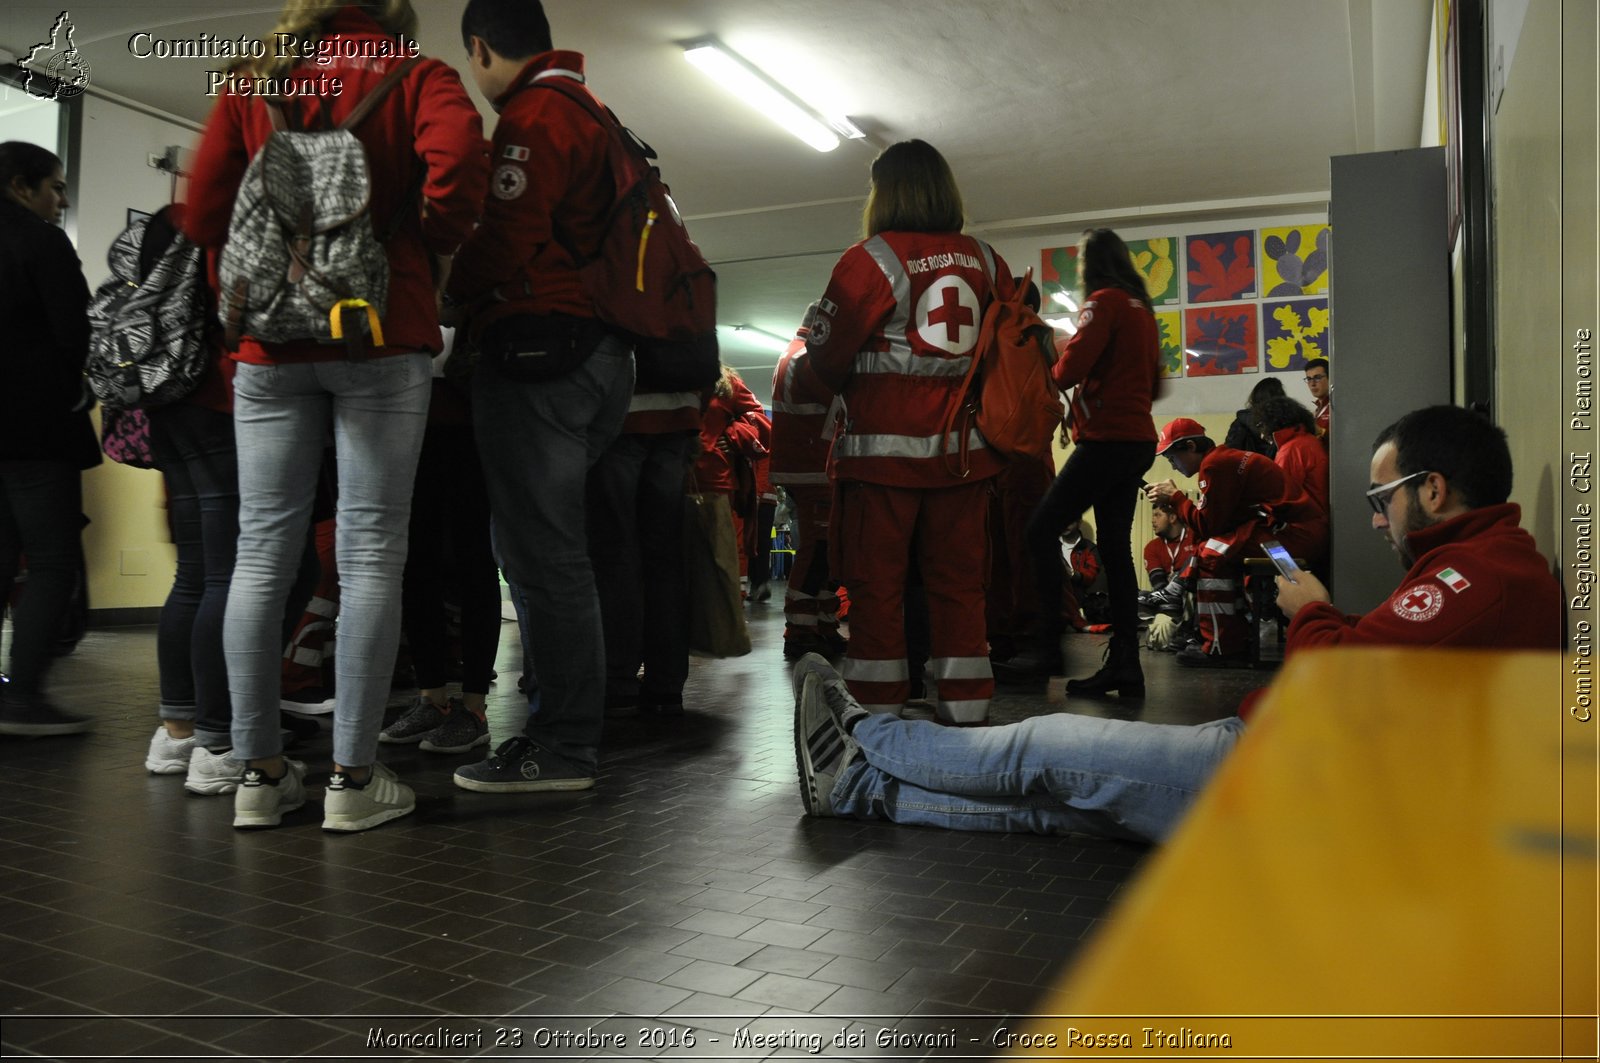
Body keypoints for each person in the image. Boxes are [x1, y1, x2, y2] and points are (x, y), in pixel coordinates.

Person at [793, 405, 1562, 841]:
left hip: (1286, 774)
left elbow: (1342, 679)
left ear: (1430, 489)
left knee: (1048, 745)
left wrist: (1316, 610)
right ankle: (860, 790)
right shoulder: (1492, 570)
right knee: (1050, 808)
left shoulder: (1479, 577)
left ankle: (866, 736)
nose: (1374, 521)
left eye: (1380, 498)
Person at [183, 0, 488, 829]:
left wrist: (251, 274)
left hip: (270, 346)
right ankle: (352, 784)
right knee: (371, 552)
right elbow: (459, 163)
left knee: (261, 551)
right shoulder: (417, 74)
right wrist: (422, 239)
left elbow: (205, 211)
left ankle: (259, 773)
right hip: (383, 331)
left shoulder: (257, 79)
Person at [443, 0, 635, 793]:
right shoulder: (592, 110)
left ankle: (561, 746)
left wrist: (442, 301)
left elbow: (506, 236)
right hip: (598, 354)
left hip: (540, 354)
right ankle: (567, 730)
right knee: (552, 553)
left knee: (546, 556)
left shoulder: (535, 115)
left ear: (479, 48)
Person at [799, 139, 1012, 725]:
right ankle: (967, 710)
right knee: (960, 587)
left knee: (877, 589)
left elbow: (825, 360)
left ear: (884, 192)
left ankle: (875, 715)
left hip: (883, 461)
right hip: (964, 461)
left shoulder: (871, 260)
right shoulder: (988, 261)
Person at [999, 228, 1160, 697]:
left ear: (1092, 265)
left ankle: (1048, 650)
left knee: (1039, 529)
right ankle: (1126, 664)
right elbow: (1155, 384)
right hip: (1137, 442)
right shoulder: (1142, 310)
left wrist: (1048, 374)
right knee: (1113, 546)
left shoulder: (1102, 303)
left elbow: (1068, 370)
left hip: (1107, 442)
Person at [0, 141, 98, 737]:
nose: (62, 199)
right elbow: (73, 332)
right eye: (55, 187)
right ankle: (23, 697)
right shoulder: (40, 241)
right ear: (21, 186)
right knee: (53, 558)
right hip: (34, 425)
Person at [1146, 417, 1327, 666]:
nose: (1173, 466)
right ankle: (1200, 617)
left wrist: (1176, 498)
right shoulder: (1223, 459)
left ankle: (1222, 646)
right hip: (1293, 534)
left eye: (1172, 457)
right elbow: (1213, 525)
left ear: (1189, 446)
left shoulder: (1216, 465)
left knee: (1212, 552)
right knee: (1213, 545)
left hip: (1292, 539)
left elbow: (1208, 525)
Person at [587, 347, 704, 719]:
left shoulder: (617, 285)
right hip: (678, 417)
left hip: (620, 415)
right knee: (666, 559)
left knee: (616, 555)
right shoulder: (686, 285)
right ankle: (666, 686)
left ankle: (618, 681)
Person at [770, 316, 846, 660]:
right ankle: (801, 631)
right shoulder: (808, 359)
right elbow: (842, 401)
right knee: (818, 549)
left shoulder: (795, 354)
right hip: (813, 468)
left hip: (807, 467)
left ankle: (821, 626)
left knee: (828, 550)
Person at [1258, 395, 1328, 519]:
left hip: (1303, 526)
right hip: (1317, 518)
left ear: (1274, 423)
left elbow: (1281, 498)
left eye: (1263, 425)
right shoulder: (1308, 440)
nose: (1263, 435)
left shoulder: (1291, 450)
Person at [1221, 376, 1284, 457]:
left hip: (1246, 467)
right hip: (1274, 467)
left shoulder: (1241, 421)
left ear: (1255, 397)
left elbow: (1229, 452)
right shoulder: (1284, 423)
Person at [1304, 357, 1331, 438]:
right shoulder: (1317, 409)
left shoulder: (1338, 406)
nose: (1312, 383)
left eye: (1317, 377)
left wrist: (1321, 432)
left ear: (1330, 378)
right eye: (1309, 379)